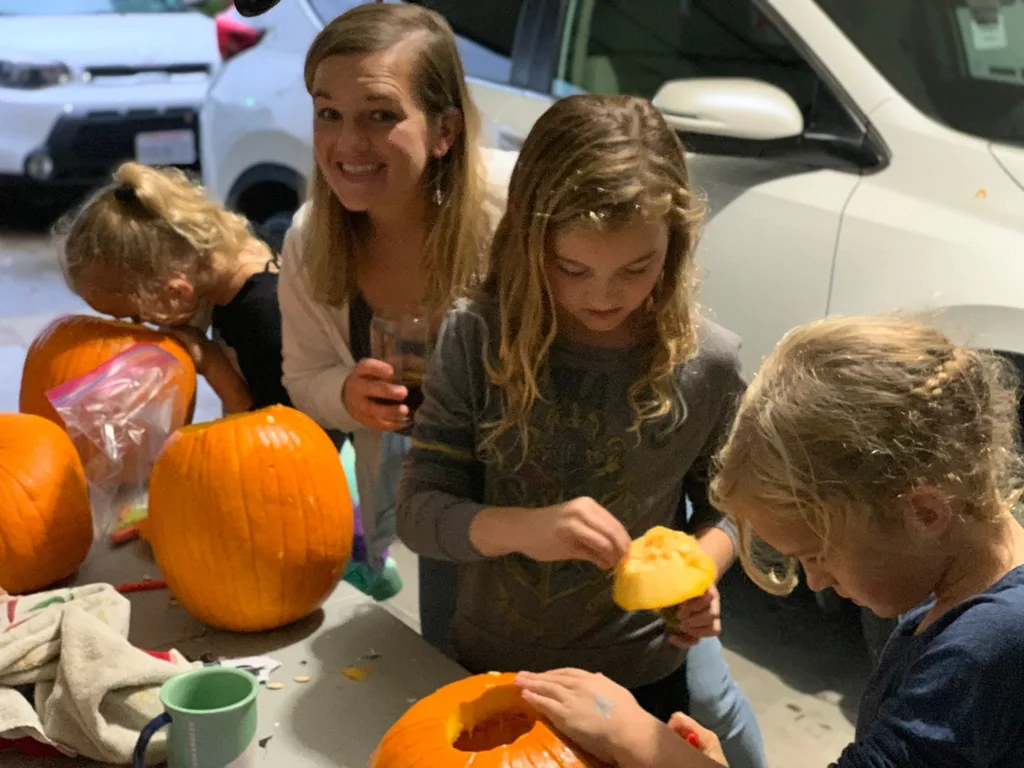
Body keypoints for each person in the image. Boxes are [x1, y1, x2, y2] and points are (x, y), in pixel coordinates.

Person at [397, 94, 766, 768]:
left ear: (675, 245)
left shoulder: (707, 364)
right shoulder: (477, 338)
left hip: (642, 683)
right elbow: (418, 514)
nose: (604, 296)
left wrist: (696, 574)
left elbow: (734, 509)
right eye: (572, 269)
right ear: (529, 241)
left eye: (636, 268)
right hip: (496, 672)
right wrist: (524, 528)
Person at [516, 316, 1024, 768]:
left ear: (924, 511)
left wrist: (640, 740)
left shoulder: (988, 649)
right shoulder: (967, 590)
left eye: (816, 555)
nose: (817, 580)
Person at [277, 4, 515, 637]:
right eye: (329, 114)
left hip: (539, 477)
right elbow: (304, 376)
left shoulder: (517, 213)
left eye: (381, 116)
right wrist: (348, 395)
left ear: (444, 131)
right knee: (451, 658)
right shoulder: (309, 240)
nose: (347, 144)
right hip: (434, 502)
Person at [57, 161, 289, 414]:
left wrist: (211, 363)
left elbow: (278, 433)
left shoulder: (263, 317)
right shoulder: (239, 249)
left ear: (177, 291)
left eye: (137, 316)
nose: (140, 326)